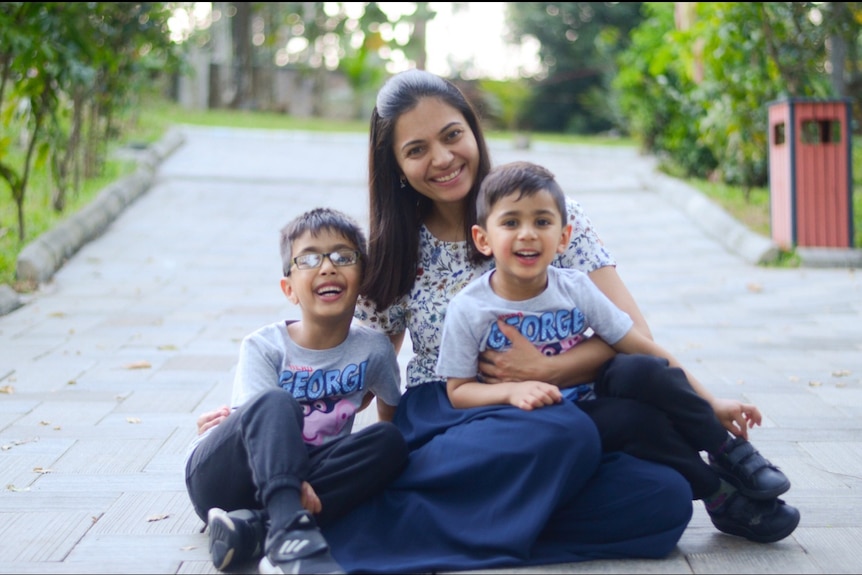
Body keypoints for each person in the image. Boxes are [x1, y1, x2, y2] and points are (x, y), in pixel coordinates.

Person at [314, 69, 696, 573]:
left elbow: (634, 336)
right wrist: (259, 414)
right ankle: (371, 522)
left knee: (664, 501)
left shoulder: (552, 217)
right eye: (417, 149)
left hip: (552, 406)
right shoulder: (393, 250)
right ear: (397, 168)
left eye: (452, 136)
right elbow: (361, 364)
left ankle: (457, 525)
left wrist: (547, 370)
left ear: (473, 131)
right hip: (449, 414)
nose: (443, 158)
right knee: (566, 434)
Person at [437, 160, 800, 544]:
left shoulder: (574, 287)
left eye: (542, 222)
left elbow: (643, 346)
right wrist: (510, 390)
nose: (527, 235)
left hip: (588, 402)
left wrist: (711, 403)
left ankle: (728, 450)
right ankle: (720, 496)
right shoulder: (470, 308)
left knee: (639, 369)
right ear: (483, 239)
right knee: (635, 420)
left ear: (563, 237)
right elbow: (458, 391)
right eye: (511, 223)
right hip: (533, 424)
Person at [184, 207, 407, 574]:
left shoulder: (374, 350)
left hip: (306, 477)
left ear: (362, 278)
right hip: (225, 480)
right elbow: (253, 423)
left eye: (343, 256)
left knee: (388, 442)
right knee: (276, 402)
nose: (327, 267)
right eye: (309, 259)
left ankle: (253, 529)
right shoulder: (263, 346)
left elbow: (392, 417)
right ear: (289, 289)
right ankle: (289, 535)